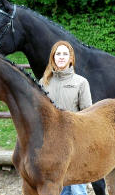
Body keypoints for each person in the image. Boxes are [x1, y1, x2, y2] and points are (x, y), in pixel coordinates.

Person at [39, 40, 92, 195]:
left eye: (65, 54)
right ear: (53, 58)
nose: (61, 57)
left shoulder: (81, 82)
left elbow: (87, 114)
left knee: (77, 190)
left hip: (74, 147)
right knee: (56, 189)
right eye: (58, 54)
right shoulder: (44, 83)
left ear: (71, 58)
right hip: (51, 148)